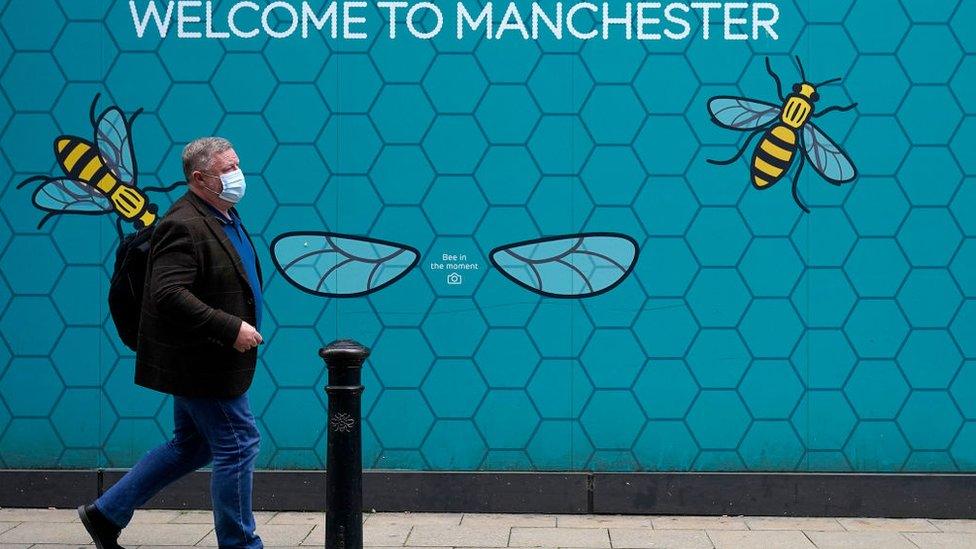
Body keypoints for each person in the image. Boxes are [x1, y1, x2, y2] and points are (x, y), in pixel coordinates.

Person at [78, 137, 265, 549]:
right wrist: (230, 327)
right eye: (226, 170)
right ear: (199, 178)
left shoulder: (222, 213)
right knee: (239, 443)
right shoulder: (183, 223)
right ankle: (240, 544)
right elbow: (167, 294)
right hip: (205, 362)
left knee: (192, 445)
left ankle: (105, 513)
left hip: (206, 360)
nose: (237, 175)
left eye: (236, 165)